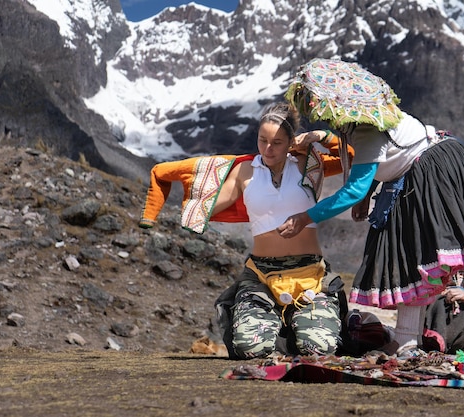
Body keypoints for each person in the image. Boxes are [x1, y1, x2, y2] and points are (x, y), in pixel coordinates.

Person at [278, 58, 464, 356]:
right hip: (428, 168)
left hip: (431, 177)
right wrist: (328, 144)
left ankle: (406, 340)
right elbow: (379, 159)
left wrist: (305, 217)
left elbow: (354, 189)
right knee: (411, 256)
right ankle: (407, 339)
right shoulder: (369, 120)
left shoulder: (369, 131)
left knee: (414, 256)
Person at [139, 102, 354, 359]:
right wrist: (195, 206)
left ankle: (297, 328)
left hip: (311, 275)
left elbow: (353, 158)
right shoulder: (245, 170)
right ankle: (270, 326)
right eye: (262, 140)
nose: (268, 148)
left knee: (320, 349)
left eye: (276, 142)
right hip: (261, 274)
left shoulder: (310, 164)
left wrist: (322, 136)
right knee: (250, 349)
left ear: (290, 142)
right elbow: (215, 200)